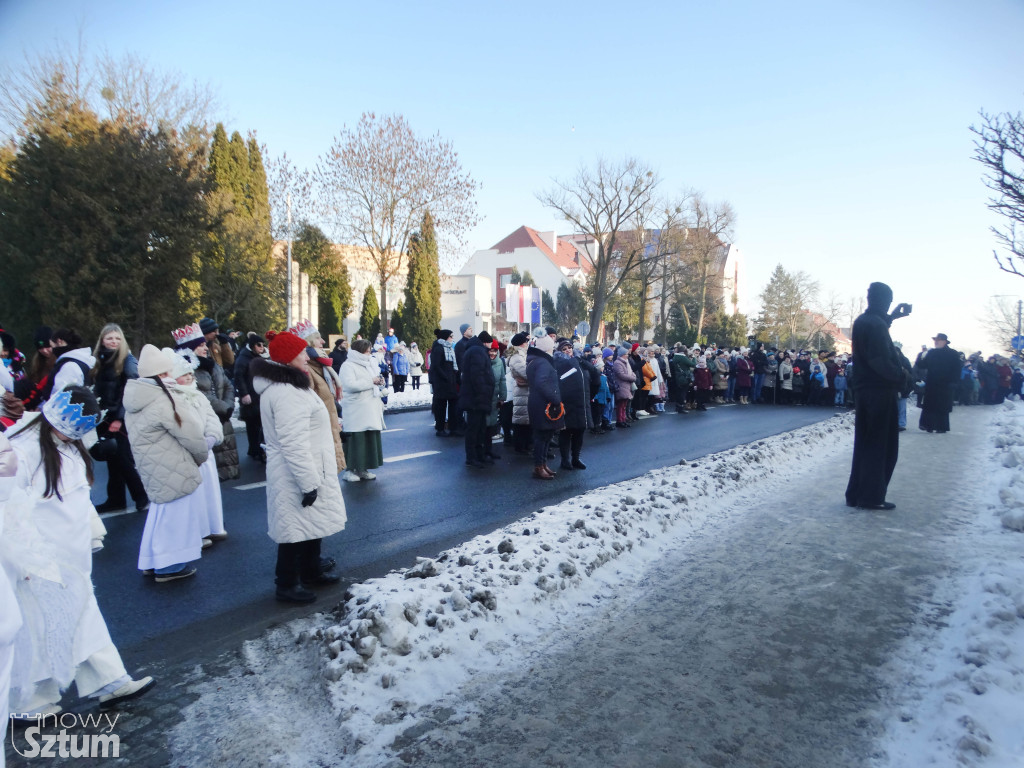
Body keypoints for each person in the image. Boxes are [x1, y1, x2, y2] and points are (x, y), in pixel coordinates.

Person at [3, 387, 155, 715]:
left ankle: (110, 681)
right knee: (41, 628)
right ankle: (31, 702)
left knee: (84, 618)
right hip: (39, 560)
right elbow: (10, 507)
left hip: (72, 559)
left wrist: (91, 534)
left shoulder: (69, 447)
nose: (68, 437)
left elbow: (78, 496)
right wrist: (24, 558)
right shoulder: (24, 448)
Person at [250, 332, 345, 604]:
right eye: (302, 352)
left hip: (311, 466)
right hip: (298, 470)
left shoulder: (290, 385)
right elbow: (293, 443)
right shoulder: (285, 392)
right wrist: (308, 482)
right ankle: (287, 584)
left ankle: (311, 571)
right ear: (288, 358)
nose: (307, 356)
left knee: (309, 524)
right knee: (293, 530)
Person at [124, 345, 211, 582]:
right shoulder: (164, 399)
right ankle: (169, 566)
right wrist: (201, 455)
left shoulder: (135, 397)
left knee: (160, 515)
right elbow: (190, 432)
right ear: (161, 374)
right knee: (176, 519)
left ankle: (152, 562)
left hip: (152, 466)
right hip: (173, 465)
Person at [844, 282, 912, 510]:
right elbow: (880, 360)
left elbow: (875, 330)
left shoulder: (864, 322)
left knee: (865, 443)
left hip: (866, 391)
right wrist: (901, 375)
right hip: (880, 391)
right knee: (881, 446)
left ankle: (856, 493)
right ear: (885, 300)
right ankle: (871, 497)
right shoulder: (875, 325)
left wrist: (892, 317)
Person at [164, 348, 228, 545]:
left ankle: (212, 526)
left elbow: (211, 417)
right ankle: (197, 531)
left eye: (191, 374)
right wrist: (195, 443)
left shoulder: (197, 395)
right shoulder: (172, 398)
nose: (190, 378)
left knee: (209, 491)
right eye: (185, 375)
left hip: (205, 450)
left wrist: (212, 436)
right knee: (195, 494)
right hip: (188, 453)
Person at [91, 323, 148, 514]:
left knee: (123, 458)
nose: (114, 342)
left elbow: (131, 390)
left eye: (117, 338)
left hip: (121, 417)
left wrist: (120, 418)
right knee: (112, 459)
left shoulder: (128, 361)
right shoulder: (100, 360)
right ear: (102, 340)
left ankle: (141, 496)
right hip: (105, 417)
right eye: (109, 338)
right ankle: (116, 499)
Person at [180, 324, 239, 482]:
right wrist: (223, 407)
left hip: (222, 417)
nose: (205, 348)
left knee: (227, 469)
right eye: (200, 346)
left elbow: (228, 385)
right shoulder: (186, 371)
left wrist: (228, 406)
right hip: (206, 420)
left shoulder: (212, 365)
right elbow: (200, 394)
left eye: (204, 344)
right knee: (210, 476)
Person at [290, 320, 346, 475]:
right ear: (307, 343)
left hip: (328, 435)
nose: (322, 342)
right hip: (320, 442)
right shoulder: (308, 370)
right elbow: (308, 409)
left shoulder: (321, 366)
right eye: (317, 338)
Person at [339, 339, 386, 482]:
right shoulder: (348, 366)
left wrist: (379, 382)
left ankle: (363, 469)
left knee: (368, 438)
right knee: (356, 439)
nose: (369, 354)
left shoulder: (368, 364)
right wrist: (371, 381)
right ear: (359, 351)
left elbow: (373, 380)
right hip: (356, 410)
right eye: (366, 351)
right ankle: (350, 470)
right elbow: (349, 385)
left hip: (369, 408)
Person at [526, 334, 563, 479]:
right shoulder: (542, 362)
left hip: (539, 402)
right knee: (542, 437)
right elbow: (542, 383)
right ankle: (538, 466)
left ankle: (542, 464)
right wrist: (555, 399)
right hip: (543, 404)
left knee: (546, 436)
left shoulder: (536, 361)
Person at [457, 331, 496, 469]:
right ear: (486, 342)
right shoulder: (477, 352)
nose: (491, 346)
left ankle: (479, 455)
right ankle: (472, 457)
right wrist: (483, 392)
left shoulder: (475, 350)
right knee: (474, 429)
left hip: (476, 398)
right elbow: (478, 375)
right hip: (476, 398)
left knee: (479, 429)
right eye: (490, 343)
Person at [553, 337, 590, 470]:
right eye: (564, 349)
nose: (568, 350)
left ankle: (576, 458)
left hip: (581, 401)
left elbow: (590, 375)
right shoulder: (558, 363)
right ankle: (565, 460)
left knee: (580, 431)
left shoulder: (578, 361)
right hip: (567, 402)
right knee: (566, 432)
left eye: (569, 348)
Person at [917, 333, 961, 433]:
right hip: (932, 384)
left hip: (946, 384)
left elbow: (957, 369)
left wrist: (954, 382)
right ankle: (928, 425)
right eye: (935, 340)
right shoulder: (932, 353)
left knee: (942, 406)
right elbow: (921, 365)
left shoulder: (953, 353)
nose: (936, 342)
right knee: (930, 405)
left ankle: (941, 427)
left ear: (945, 341)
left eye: (939, 340)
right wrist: (921, 355)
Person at [234, 333, 267, 463]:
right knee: (252, 425)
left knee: (258, 424)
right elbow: (238, 376)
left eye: (262, 345)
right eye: (259, 345)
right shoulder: (243, 359)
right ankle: (254, 450)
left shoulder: (257, 357)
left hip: (258, 395)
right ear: (253, 346)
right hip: (250, 396)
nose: (261, 347)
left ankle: (257, 449)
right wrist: (244, 393)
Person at [429, 329, 459, 437]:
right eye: (451, 336)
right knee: (441, 406)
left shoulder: (449, 348)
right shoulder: (438, 348)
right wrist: (446, 377)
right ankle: (440, 428)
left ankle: (452, 427)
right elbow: (436, 366)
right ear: (445, 337)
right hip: (442, 382)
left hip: (450, 380)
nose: (452, 338)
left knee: (453, 404)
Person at [508, 332, 532, 454]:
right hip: (522, 392)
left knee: (525, 420)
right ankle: (520, 446)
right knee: (521, 420)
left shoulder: (521, 355)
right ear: (523, 343)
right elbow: (528, 374)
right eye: (526, 342)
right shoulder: (517, 357)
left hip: (525, 390)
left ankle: (525, 445)